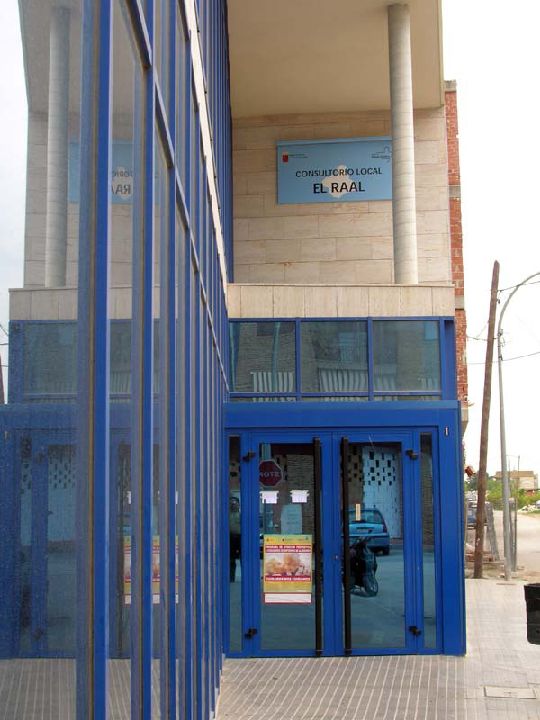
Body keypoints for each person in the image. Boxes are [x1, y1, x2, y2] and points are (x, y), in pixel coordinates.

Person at [229, 496, 241, 582]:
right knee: (231, 559)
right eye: (231, 503)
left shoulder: (241, 515)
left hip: (240, 538)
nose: (233, 505)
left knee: (243, 558)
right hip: (230, 538)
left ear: (238, 504)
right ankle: (231, 577)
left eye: (235, 503)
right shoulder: (227, 515)